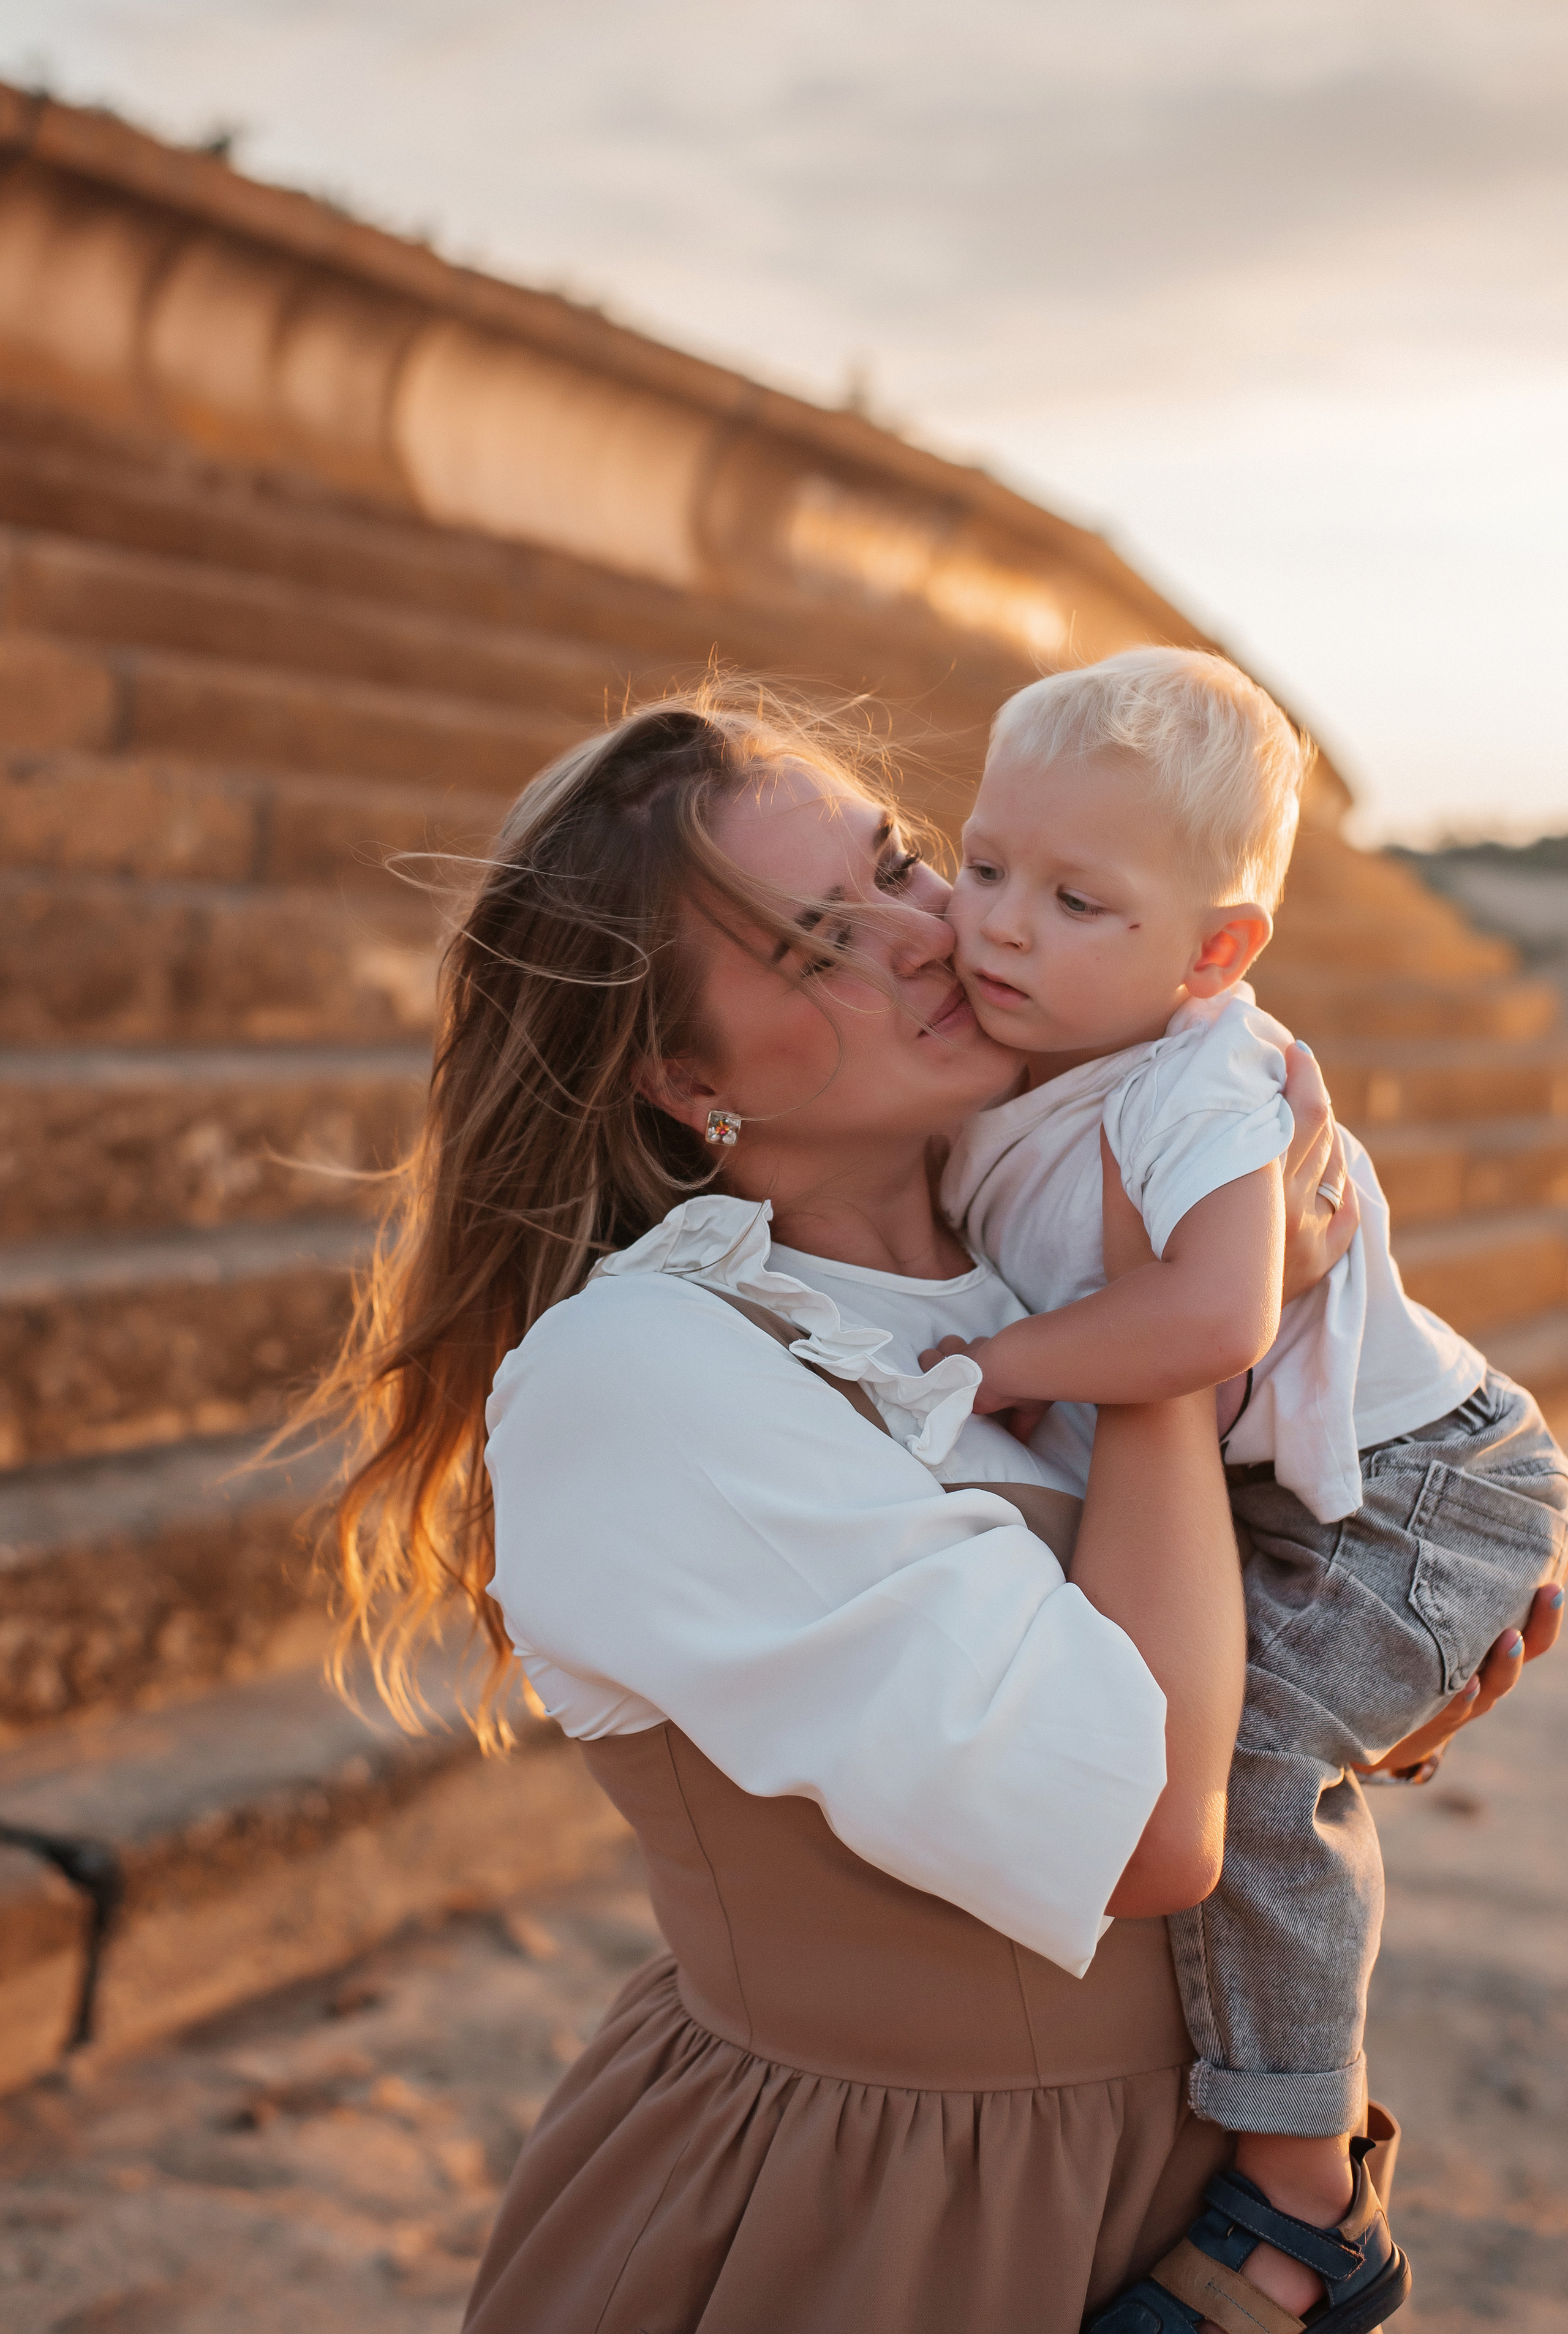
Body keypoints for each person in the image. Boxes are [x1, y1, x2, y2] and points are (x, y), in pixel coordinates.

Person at [312, 692, 1557, 2334]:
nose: (932, 930)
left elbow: (1236, 1640)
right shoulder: (649, 1370)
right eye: (827, 935)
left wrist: (1390, 1645)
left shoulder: (1039, 1223)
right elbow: (1146, 1830)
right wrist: (1173, 1346)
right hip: (874, 2209)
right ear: (685, 1075)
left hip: (1183, 2171)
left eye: (904, 862)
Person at [930, 648, 1568, 2330]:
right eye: (984, 864)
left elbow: (1218, 1313)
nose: (999, 921)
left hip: (1434, 1492)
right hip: (1300, 1488)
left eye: (1076, 898)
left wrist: (1001, 1365)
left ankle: (1304, 2187)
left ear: (1215, 950)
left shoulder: (1205, 1077)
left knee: (1248, 1747)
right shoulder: (1041, 1054)